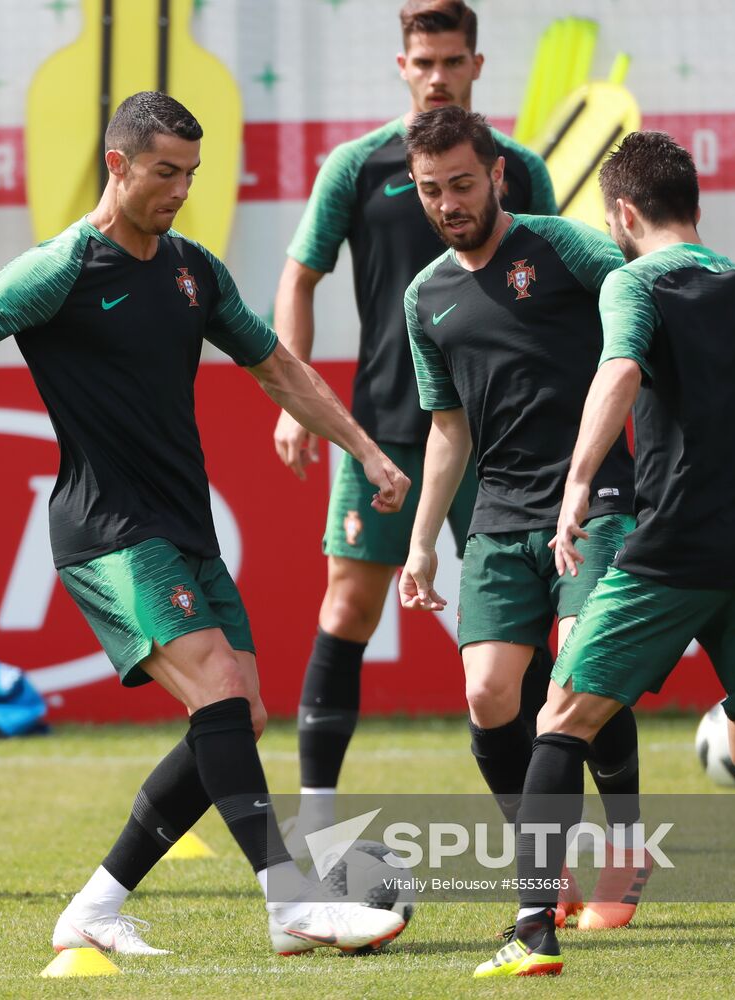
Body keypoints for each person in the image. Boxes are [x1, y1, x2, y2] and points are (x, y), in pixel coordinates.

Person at [0, 91, 413, 957]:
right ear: (118, 163)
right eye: (165, 171)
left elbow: (278, 367)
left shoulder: (192, 270)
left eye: (191, 174)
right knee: (216, 687)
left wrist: (363, 449)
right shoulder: (59, 268)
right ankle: (289, 901)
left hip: (183, 525)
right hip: (106, 530)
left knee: (239, 715)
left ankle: (95, 906)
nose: (179, 188)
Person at [479, 131, 735, 977]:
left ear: (621, 214)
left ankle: (530, 929)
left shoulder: (634, 282)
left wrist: (576, 482)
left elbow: (619, 371)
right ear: (695, 207)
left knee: (560, 719)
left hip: (668, 554)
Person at [273, 0, 562, 861]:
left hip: (507, 441)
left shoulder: (517, 168)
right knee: (349, 606)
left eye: (450, 60)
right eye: (421, 60)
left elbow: (553, 282)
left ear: (477, 65)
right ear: (401, 66)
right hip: (388, 431)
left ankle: (549, 828)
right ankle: (316, 817)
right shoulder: (356, 167)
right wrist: (296, 394)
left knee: (529, 628)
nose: (435, 73)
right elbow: (298, 276)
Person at [398, 105, 647, 932]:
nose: (447, 203)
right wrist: (422, 541)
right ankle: (545, 855)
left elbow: (651, 292)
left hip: (596, 498)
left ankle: (627, 841)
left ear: (496, 174)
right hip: (499, 517)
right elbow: (445, 428)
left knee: (575, 684)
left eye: (462, 184)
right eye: (431, 190)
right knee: (487, 695)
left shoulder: (563, 246)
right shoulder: (423, 296)